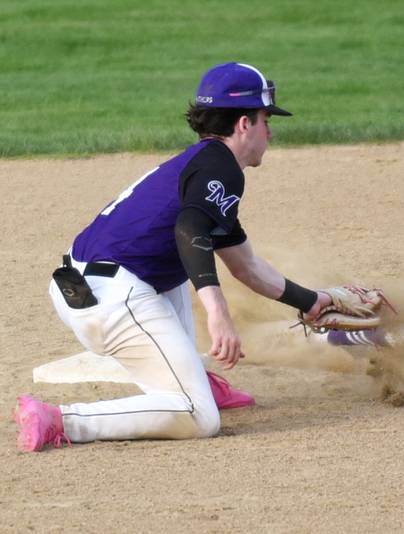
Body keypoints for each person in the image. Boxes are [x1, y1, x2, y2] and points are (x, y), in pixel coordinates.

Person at [15, 62, 338, 452]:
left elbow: (246, 266)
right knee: (198, 417)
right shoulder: (221, 169)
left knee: (177, 272)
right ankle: (61, 419)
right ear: (243, 124)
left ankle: (195, 379)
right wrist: (217, 313)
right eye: (265, 119)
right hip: (113, 302)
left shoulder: (202, 166)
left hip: (96, 286)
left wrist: (312, 302)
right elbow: (190, 231)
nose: (270, 131)